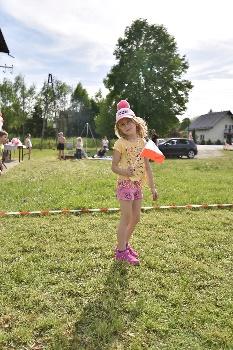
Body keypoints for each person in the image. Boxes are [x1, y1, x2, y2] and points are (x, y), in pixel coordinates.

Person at [112, 100, 158, 265]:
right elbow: (114, 167)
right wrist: (125, 171)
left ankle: (123, 243)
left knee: (136, 217)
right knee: (126, 216)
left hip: (138, 184)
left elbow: (147, 167)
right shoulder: (120, 144)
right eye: (122, 124)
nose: (126, 126)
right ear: (119, 129)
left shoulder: (143, 143)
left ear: (135, 122)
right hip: (125, 184)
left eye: (128, 122)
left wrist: (152, 187)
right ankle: (121, 252)